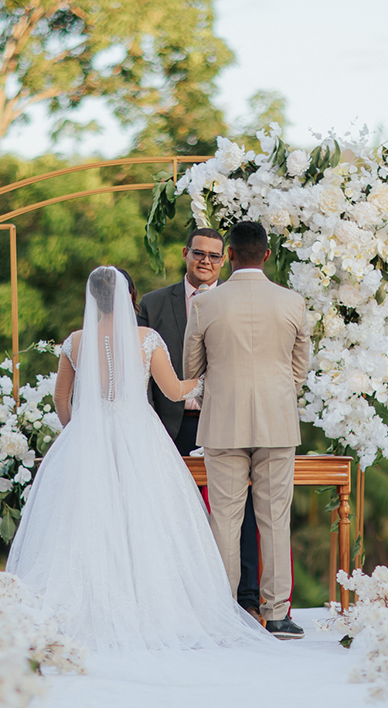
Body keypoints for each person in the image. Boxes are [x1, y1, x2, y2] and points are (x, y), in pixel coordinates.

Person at [9, 266, 269, 650]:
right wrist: (208, 378)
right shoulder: (146, 338)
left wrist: (77, 429)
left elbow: (61, 397)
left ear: (93, 299)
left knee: (87, 521)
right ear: (131, 296)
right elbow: (175, 390)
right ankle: (150, 606)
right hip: (140, 436)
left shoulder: (76, 341)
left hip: (87, 437)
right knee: (145, 519)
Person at [184, 221, 312, 640]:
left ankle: (223, 612)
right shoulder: (293, 302)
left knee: (224, 518)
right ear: (268, 256)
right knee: (275, 518)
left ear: (231, 255)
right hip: (277, 420)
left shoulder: (205, 304)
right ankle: (277, 614)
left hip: (222, 420)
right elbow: (299, 370)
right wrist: (276, 394)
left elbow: (191, 369)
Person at [138, 228, 262, 623]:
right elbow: (137, 376)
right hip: (172, 426)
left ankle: (246, 600)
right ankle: (174, 598)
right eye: (198, 253)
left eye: (213, 255)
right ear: (185, 253)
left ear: (225, 259)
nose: (205, 261)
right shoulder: (154, 304)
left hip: (228, 423)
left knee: (239, 513)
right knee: (170, 513)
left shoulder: (240, 302)